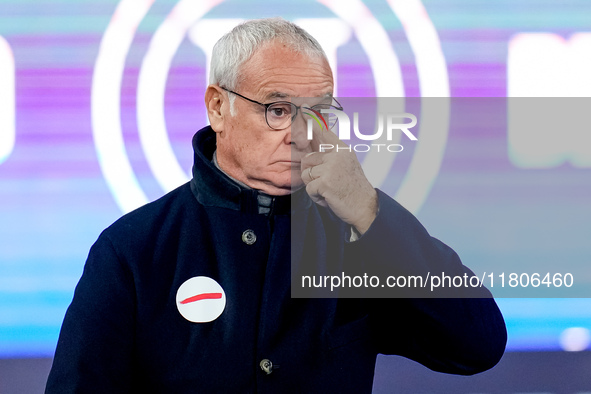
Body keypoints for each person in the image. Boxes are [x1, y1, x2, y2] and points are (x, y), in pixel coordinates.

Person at [46, 17, 506, 393]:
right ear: (217, 108)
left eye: (318, 111)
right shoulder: (134, 249)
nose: (302, 133)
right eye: (278, 110)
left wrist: (368, 209)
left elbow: (477, 346)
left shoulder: (357, 240)